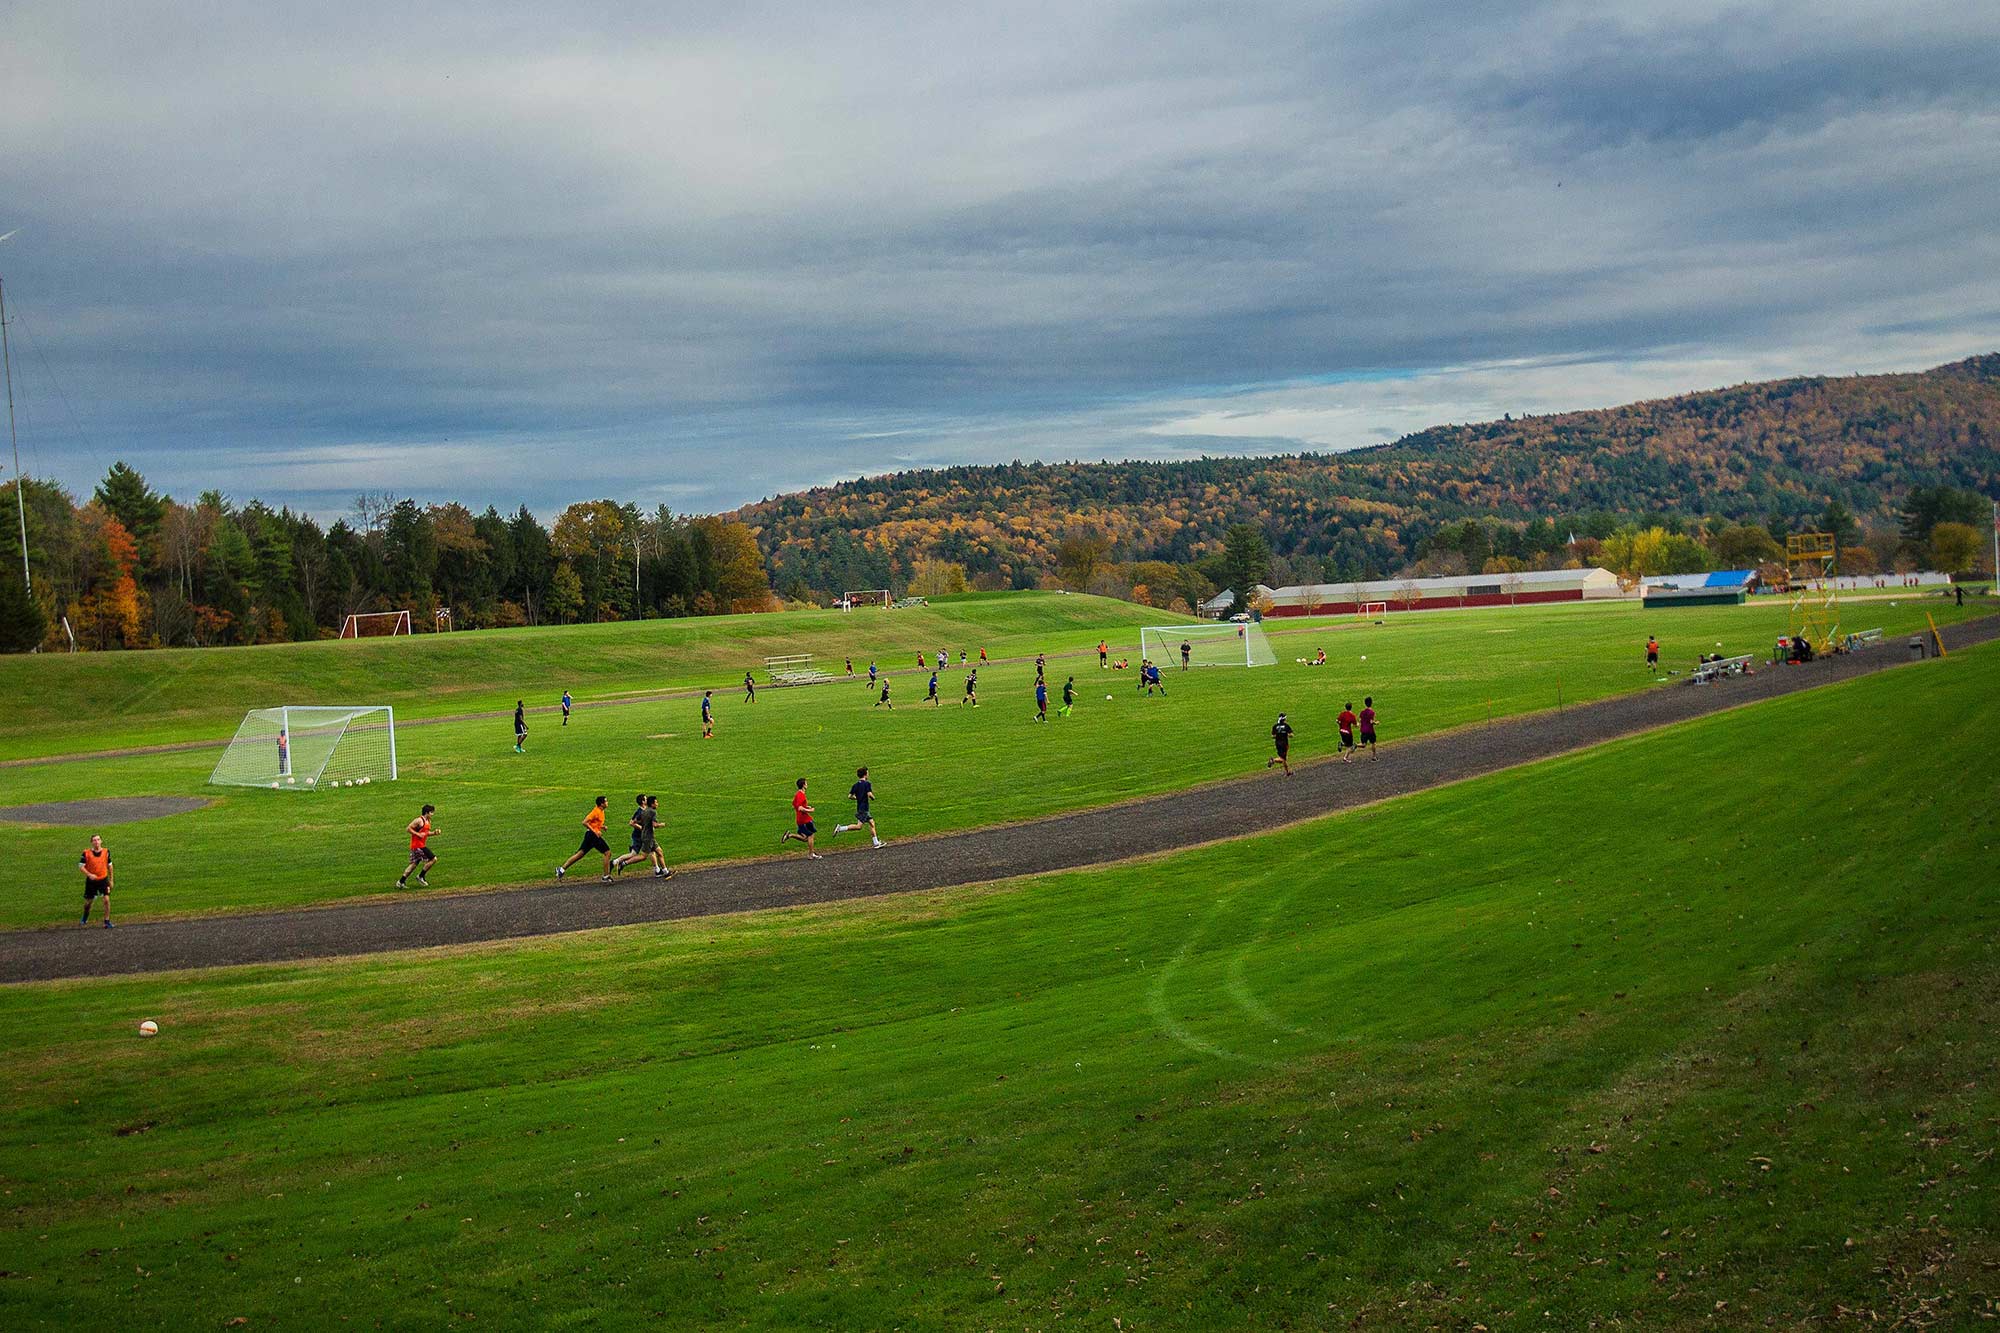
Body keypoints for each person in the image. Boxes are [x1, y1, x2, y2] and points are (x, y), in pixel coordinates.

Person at [556, 796, 615, 881]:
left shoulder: (601, 811)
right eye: (606, 801)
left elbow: (594, 823)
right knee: (607, 853)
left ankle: (561, 869)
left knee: (580, 854)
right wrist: (595, 832)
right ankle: (606, 876)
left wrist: (602, 827)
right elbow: (584, 822)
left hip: (590, 835)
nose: (607, 803)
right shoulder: (596, 812)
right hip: (592, 836)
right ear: (601, 804)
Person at [616, 795, 670, 877]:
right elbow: (655, 825)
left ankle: (665, 871)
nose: (657, 804)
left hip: (647, 836)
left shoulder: (644, 811)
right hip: (648, 838)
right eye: (656, 802)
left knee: (659, 852)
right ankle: (624, 863)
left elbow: (634, 821)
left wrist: (642, 827)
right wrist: (662, 824)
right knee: (643, 856)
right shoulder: (652, 812)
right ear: (652, 804)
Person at [834, 766, 883, 847]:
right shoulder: (867, 783)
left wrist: (857, 798)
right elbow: (869, 794)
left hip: (860, 807)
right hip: (864, 808)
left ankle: (876, 842)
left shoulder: (855, 785)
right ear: (865, 774)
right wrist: (873, 798)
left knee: (871, 823)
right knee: (859, 826)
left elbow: (849, 796)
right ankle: (840, 828)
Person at [396, 804, 437, 888]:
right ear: (427, 812)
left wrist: (434, 833)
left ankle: (401, 882)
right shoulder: (419, 820)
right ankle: (421, 876)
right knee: (433, 859)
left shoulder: (428, 821)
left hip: (420, 845)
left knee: (414, 864)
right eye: (431, 812)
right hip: (418, 846)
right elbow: (408, 828)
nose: (432, 814)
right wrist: (417, 834)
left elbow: (425, 833)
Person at [780, 778, 822, 858]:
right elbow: (799, 808)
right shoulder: (801, 795)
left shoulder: (798, 794)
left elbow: (794, 804)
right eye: (806, 783)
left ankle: (790, 835)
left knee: (805, 838)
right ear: (803, 785)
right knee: (811, 836)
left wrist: (805, 806)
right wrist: (809, 810)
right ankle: (811, 854)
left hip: (800, 819)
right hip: (804, 819)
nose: (807, 784)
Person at [78, 834, 113, 928]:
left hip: (103, 880)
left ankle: (107, 921)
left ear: (101, 841)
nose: (96, 842)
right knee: (88, 903)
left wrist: (111, 880)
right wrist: (89, 875)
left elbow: (110, 866)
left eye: (98, 840)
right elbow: (81, 866)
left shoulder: (106, 852)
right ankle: (85, 917)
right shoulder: (86, 853)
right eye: (94, 840)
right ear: (91, 842)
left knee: (106, 900)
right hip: (91, 882)